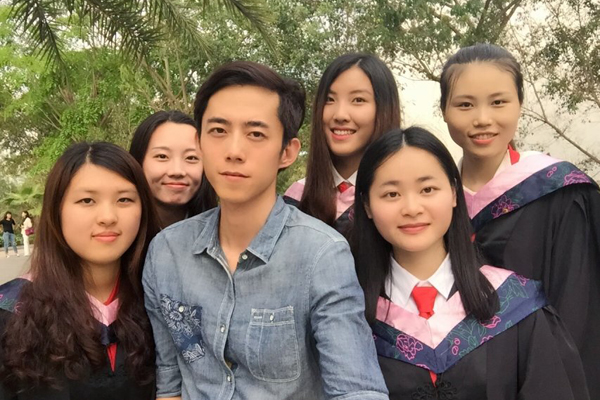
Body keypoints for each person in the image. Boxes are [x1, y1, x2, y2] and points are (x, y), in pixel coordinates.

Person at [143, 61, 388, 400]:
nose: (233, 151)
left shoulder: (320, 255)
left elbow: (356, 389)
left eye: (256, 134)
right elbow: (170, 383)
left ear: (287, 152)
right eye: (218, 131)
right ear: (199, 142)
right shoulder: (167, 253)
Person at [350, 127, 589, 399]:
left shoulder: (515, 304)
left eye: (427, 189)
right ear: (367, 205)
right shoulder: (350, 312)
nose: (412, 208)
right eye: (392, 194)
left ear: (454, 193)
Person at [440, 43, 600, 396]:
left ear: (520, 105)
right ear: (444, 111)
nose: (483, 119)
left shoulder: (558, 191)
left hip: (542, 379)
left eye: (499, 102)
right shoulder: (432, 199)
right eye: (465, 104)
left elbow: (578, 311)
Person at [0, 142, 160, 399]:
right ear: (57, 210)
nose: (108, 216)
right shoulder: (10, 310)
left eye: (124, 199)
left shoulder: (160, 303)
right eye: (87, 200)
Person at [284, 53, 401, 234]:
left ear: (384, 110)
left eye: (358, 100)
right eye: (329, 99)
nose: (340, 115)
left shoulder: (403, 199)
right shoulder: (296, 199)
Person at [130, 110, 217, 228]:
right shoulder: (120, 231)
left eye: (191, 158)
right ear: (138, 161)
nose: (177, 171)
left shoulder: (225, 231)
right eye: (162, 156)